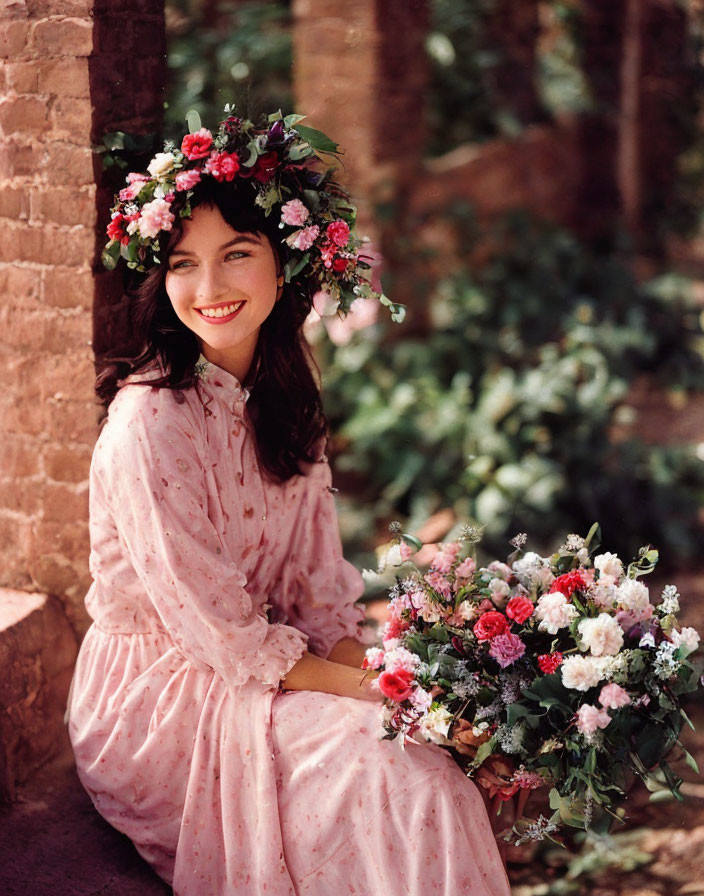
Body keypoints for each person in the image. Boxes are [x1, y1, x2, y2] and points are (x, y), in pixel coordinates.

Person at [65, 108, 512, 896]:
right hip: (165, 700)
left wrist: (414, 688)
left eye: (237, 255)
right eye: (181, 263)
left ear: (287, 266)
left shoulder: (283, 392)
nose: (208, 289)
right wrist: (398, 704)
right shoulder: (150, 425)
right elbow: (229, 643)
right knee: (407, 777)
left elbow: (317, 598)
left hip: (268, 661)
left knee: (428, 770)